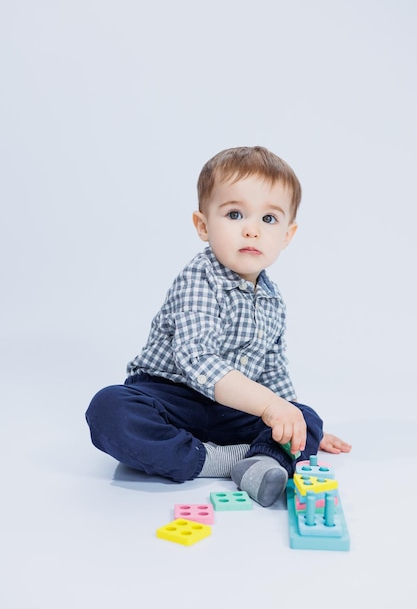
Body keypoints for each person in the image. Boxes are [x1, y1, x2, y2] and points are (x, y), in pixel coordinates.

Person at [86, 146, 351, 507]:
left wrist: (292, 422)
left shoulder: (273, 301)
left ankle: (261, 461)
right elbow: (197, 359)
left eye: (269, 220)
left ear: (288, 235)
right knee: (110, 408)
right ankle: (219, 460)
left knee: (306, 417)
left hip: (232, 412)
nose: (252, 230)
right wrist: (271, 408)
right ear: (203, 225)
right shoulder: (200, 278)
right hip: (172, 397)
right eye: (235, 214)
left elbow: (273, 374)